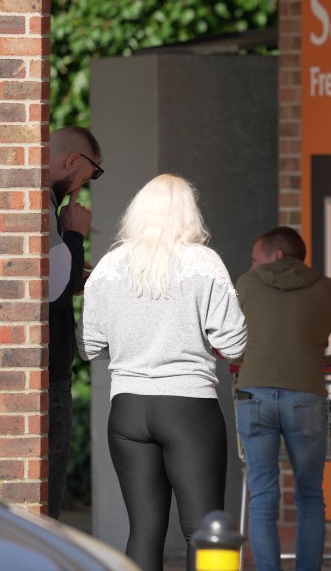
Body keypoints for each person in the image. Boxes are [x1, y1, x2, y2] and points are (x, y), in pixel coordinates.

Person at [77, 174, 247, 571]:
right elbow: (235, 344)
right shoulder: (204, 263)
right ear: (189, 214)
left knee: (144, 531)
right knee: (204, 532)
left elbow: (88, 346)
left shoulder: (108, 266)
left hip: (127, 409)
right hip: (188, 408)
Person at [234, 226, 331, 571]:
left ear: (277, 256)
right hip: (306, 398)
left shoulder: (247, 284)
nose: (252, 267)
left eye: (255, 259)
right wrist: (325, 361)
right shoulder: (327, 287)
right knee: (309, 495)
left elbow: (231, 346)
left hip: (253, 396)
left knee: (262, 495)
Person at [47, 126, 103, 519]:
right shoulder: (41, 204)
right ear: (72, 162)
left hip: (41, 375)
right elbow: (53, 290)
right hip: (45, 379)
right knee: (44, 497)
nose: (85, 184)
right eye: (91, 174)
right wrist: (75, 234)